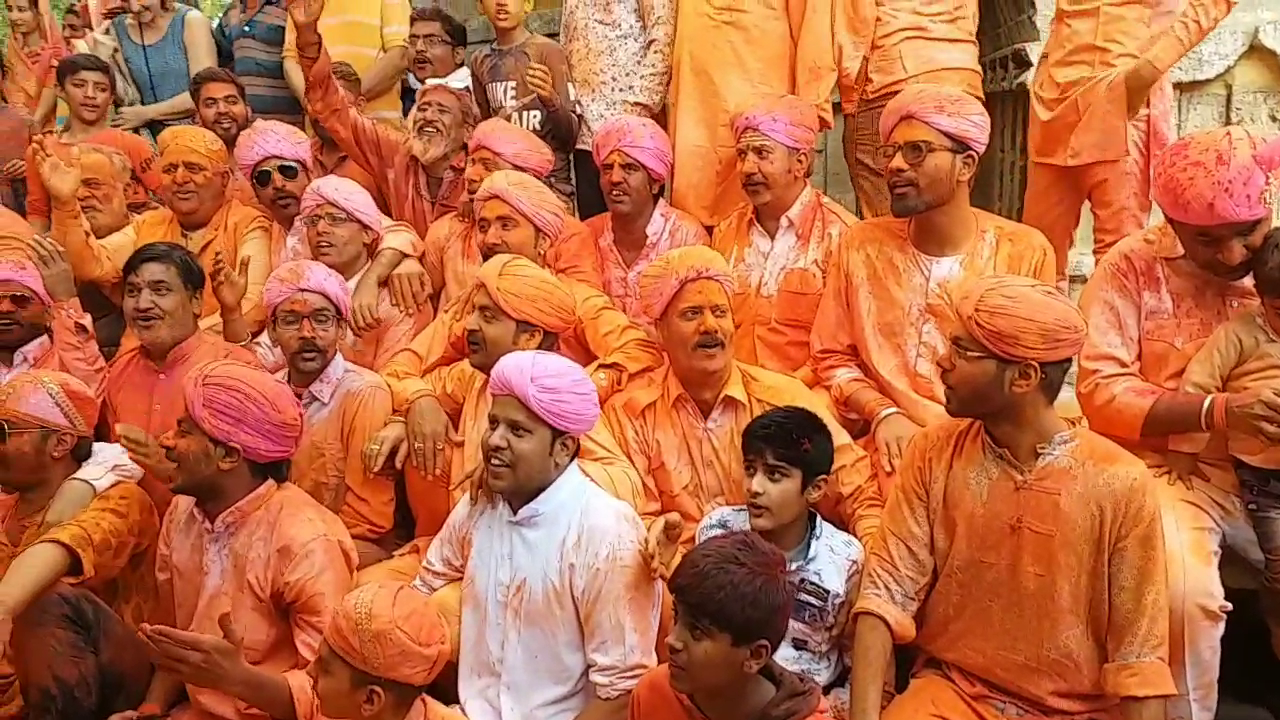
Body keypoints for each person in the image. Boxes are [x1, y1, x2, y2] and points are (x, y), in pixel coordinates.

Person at [849, 274, 1175, 720]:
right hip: (954, 694)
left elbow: (1139, 659)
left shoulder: (1121, 482)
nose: (941, 361)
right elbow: (882, 598)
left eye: (962, 351)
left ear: (1023, 377)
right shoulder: (933, 452)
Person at [1076, 125, 1280, 720]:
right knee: (1182, 596)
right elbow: (1100, 391)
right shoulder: (1132, 267)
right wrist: (1215, 411)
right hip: (1178, 474)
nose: (1234, 256)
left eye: (1248, 233)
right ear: (1172, 223)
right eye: (1207, 241)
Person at [811, 84, 1055, 490]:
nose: (895, 166)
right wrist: (884, 413)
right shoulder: (862, 245)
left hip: (982, 444)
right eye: (891, 152)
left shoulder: (1023, 252)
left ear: (967, 165)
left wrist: (945, 439)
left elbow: (1032, 380)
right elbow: (832, 358)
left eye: (917, 151)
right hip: (881, 438)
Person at [600, 245, 882, 571]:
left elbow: (857, 490)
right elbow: (636, 520)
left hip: (782, 579)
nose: (710, 327)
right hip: (677, 583)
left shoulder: (782, 397)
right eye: (691, 314)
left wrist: (873, 577)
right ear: (660, 330)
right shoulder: (630, 414)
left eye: (720, 313)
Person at [413, 348, 661, 719]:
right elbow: (424, 590)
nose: (495, 440)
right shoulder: (481, 503)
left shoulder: (606, 532)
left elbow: (621, 694)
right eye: (493, 423)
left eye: (517, 431)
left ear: (563, 449)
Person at [113, 359, 357, 719]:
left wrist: (238, 679)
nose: (165, 442)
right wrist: (152, 708)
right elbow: (176, 641)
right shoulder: (182, 512)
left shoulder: (307, 543)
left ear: (228, 456)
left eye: (183, 431)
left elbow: (334, 702)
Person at [365, 254, 645, 561]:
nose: (469, 325)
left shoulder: (556, 392)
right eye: (474, 312)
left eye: (487, 316)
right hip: (460, 549)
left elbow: (626, 484)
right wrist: (416, 403)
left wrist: (529, 473)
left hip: (538, 560)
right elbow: (394, 377)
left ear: (529, 338)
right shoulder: (470, 377)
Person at [380, 170, 660, 417]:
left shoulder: (577, 300)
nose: (490, 239)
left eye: (506, 225)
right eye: (483, 226)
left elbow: (639, 350)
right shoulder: (468, 306)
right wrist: (420, 400)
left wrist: (577, 388)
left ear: (543, 241)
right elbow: (399, 370)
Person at [1023, 0, 1237, 281]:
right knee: (1039, 255)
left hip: (1124, 97)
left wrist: (1150, 67)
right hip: (1054, 100)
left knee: (1117, 261)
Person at [0, 370, 157, 720]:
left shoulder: (122, 501)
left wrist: (4, 606)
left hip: (104, 687)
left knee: (46, 599)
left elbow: (68, 544)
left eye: (3, 432)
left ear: (60, 443)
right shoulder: (5, 508)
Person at [697, 406, 860, 709]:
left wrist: (833, 711)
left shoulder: (845, 560)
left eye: (774, 475)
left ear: (815, 488)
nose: (753, 487)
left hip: (807, 706)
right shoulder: (717, 531)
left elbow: (858, 659)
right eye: (750, 469)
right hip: (722, 700)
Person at [39, 125, 273, 334]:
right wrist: (65, 203)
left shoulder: (249, 224)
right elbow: (91, 265)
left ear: (224, 179)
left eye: (193, 168)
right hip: (145, 353)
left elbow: (252, 306)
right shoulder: (149, 224)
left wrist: (184, 340)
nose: (180, 178)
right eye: (170, 169)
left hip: (215, 354)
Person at [1173, 228, 1280, 662]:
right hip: (1262, 479)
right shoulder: (1241, 335)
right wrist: (1182, 453)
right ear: (1258, 295)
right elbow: (1197, 387)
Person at [136, 582, 464, 720]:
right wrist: (233, 676)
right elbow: (297, 697)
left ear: (370, 700)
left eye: (324, 667)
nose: (309, 672)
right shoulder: (347, 706)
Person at [251, 260, 395, 568]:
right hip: (274, 542)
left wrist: (295, 550)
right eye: (291, 321)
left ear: (341, 329)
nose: (307, 333)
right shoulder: (267, 392)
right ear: (273, 333)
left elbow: (368, 522)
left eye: (321, 319)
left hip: (345, 549)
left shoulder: (364, 393)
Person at [291, 0, 474, 237]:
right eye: (423, 109)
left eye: (442, 111)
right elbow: (334, 110)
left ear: (468, 130)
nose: (428, 116)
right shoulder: (396, 153)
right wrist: (307, 37)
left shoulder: (481, 170)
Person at [100, 243, 260, 513]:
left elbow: (253, 479)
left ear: (196, 301)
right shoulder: (118, 372)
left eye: (160, 290)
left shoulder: (233, 367)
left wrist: (169, 469)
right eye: (133, 292)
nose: (142, 304)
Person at [713, 95, 854, 380]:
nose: (748, 168)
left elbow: (841, 350)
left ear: (800, 162)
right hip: (733, 392)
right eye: (742, 155)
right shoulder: (725, 233)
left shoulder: (841, 236)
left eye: (762, 154)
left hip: (807, 396)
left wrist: (780, 396)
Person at [400, 120, 603, 312]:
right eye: (472, 163)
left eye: (488, 167)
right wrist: (404, 259)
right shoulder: (448, 229)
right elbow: (422, 305)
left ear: (526, 178)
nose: (471, 175)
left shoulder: (568, 233)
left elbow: (584, 310)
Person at [629, 531, 833, 720]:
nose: (671, 640)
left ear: (755, 656)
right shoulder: (653, 693)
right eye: (676, 615)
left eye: (697, 632)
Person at [667, 0, 835, 228]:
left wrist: (809, 114)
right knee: (691, 213)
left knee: (761, 212)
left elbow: (814, 25)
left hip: (761, 93)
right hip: (695, 103)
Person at [835, 0, 981, 220]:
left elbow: (856, 22)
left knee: (888, 222)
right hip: (962, 75)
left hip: (891, 74)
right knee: (945, 214)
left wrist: (851, 101)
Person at [586, 115, 707, 323]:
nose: (614, 178)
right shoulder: (586, 236)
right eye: (607, 169)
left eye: (629, 168)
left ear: (655, 183)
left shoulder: (686, 238)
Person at [560, 0, 674, 219]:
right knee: (594, 229)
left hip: (634, 135)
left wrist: (635, 115)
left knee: (642, 229)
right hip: (587, 135)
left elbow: (661, 43)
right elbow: (567, 43)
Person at [24, 53, 161, 234]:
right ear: (60, 90)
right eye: (79, 86)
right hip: (71, 242)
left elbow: (166, 193)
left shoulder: (132, 144)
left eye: (101, 89)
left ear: (111, 98)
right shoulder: (42, 150)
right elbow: (38, 212)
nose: (90, 95)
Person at [469, 0, 580, 205]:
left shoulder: (548, 51)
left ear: (528, 4)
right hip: (503, 187)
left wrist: (551, 100)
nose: (501, 3)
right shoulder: (479, 60)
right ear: (480, 5)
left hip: (550, 186)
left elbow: (571, 135)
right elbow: (485, 132)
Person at [0, 233, 106, 389]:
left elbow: (88, 391)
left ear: (48, 309)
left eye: (20, 299)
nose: (4, 309)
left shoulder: (68, 361)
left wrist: (65, 301)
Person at [281, 0, 410, 126]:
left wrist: (341, 103)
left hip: (377, 131)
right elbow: (291, 61)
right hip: (321, 133)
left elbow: (398, 56)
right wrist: (315, 105)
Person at [108, 0, 217, 139]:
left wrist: (146, 113)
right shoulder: (117, 28)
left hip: (195, 136)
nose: (134, 8)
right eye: (125, 0)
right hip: (145, 140)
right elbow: (125, 95)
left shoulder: (191, 21)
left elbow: (206, 93)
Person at [213, 0, 305, 128]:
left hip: (289, 126)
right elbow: (222, 70)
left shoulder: (293, 6)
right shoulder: (230, 13)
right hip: (245, 128)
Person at [317, 61, 390, 214]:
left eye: (336, 101)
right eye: (315, 101)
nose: (324, 110)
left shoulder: (383, 158)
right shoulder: (298, 155)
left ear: (360, 105)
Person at [2, 0, 64, 131]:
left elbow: (52, 87)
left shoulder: (55, 54)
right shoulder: (12, 51)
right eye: (9, 9)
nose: (13, 17)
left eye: (21, 10)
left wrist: (33, 124)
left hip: (45, 131)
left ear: (39, 12)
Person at [402, 7, 468, 118]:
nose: (419, 48)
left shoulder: (468, 100)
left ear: (458, 54)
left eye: (431, 41)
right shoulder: (406, 93)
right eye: (413, 41)